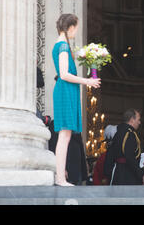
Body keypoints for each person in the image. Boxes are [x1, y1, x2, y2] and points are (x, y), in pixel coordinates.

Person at [52, 14, 101, 186]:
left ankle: (60, 177)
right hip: (65, 91)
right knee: (64, 136)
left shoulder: (61, 45)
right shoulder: (63, 46)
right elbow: (64, 74)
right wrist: (88, 81)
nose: (76, 31)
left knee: (64, 136)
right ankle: (60, 178)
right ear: (71, 27)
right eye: (76, 27)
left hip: (65, 91)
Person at [105, 109, 143, 185]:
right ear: (132, 120)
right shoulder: (129, 134)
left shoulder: (118, 132)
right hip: (127, 175)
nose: (139, 122)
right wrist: (140, 173)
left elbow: (109, 155)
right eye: (138, 120)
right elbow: (130, 157)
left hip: (118, 172)